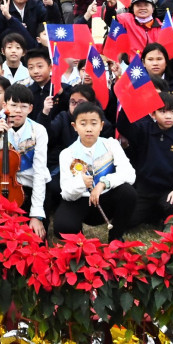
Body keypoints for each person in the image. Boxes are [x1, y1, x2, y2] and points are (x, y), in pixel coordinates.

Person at [55, 100, 137, 240]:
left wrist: (103, 183)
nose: (88, 129)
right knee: (63, 227)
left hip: (106, 198)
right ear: (74, 126)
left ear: (101, 126)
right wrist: (82, 183)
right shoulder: (67, 154)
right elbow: (67, 193)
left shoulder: (111, 144)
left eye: (94, 123)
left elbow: (130, 174)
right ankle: (80, 244)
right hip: (80, 201)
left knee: (128, 193)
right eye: (83, 124)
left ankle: (115, 238)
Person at [116, 92, 173, 230]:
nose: (168, 116)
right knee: (127, 221)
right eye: (162, 111)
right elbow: (124, 127)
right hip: (144, 189)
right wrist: (127, 104)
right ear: (153, 114)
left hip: (169, 189)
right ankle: (152, 214)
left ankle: (160, 215)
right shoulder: (144, 131)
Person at [0, 82, 51, 238]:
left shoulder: (39, 131)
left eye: (23, 106)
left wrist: (36, 215)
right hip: (4, 182)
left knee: (37, 237)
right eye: (13, 105)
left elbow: (40, 172)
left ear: (31, 109)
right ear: (4, 105)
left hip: (31, 182)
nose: (18, 111)